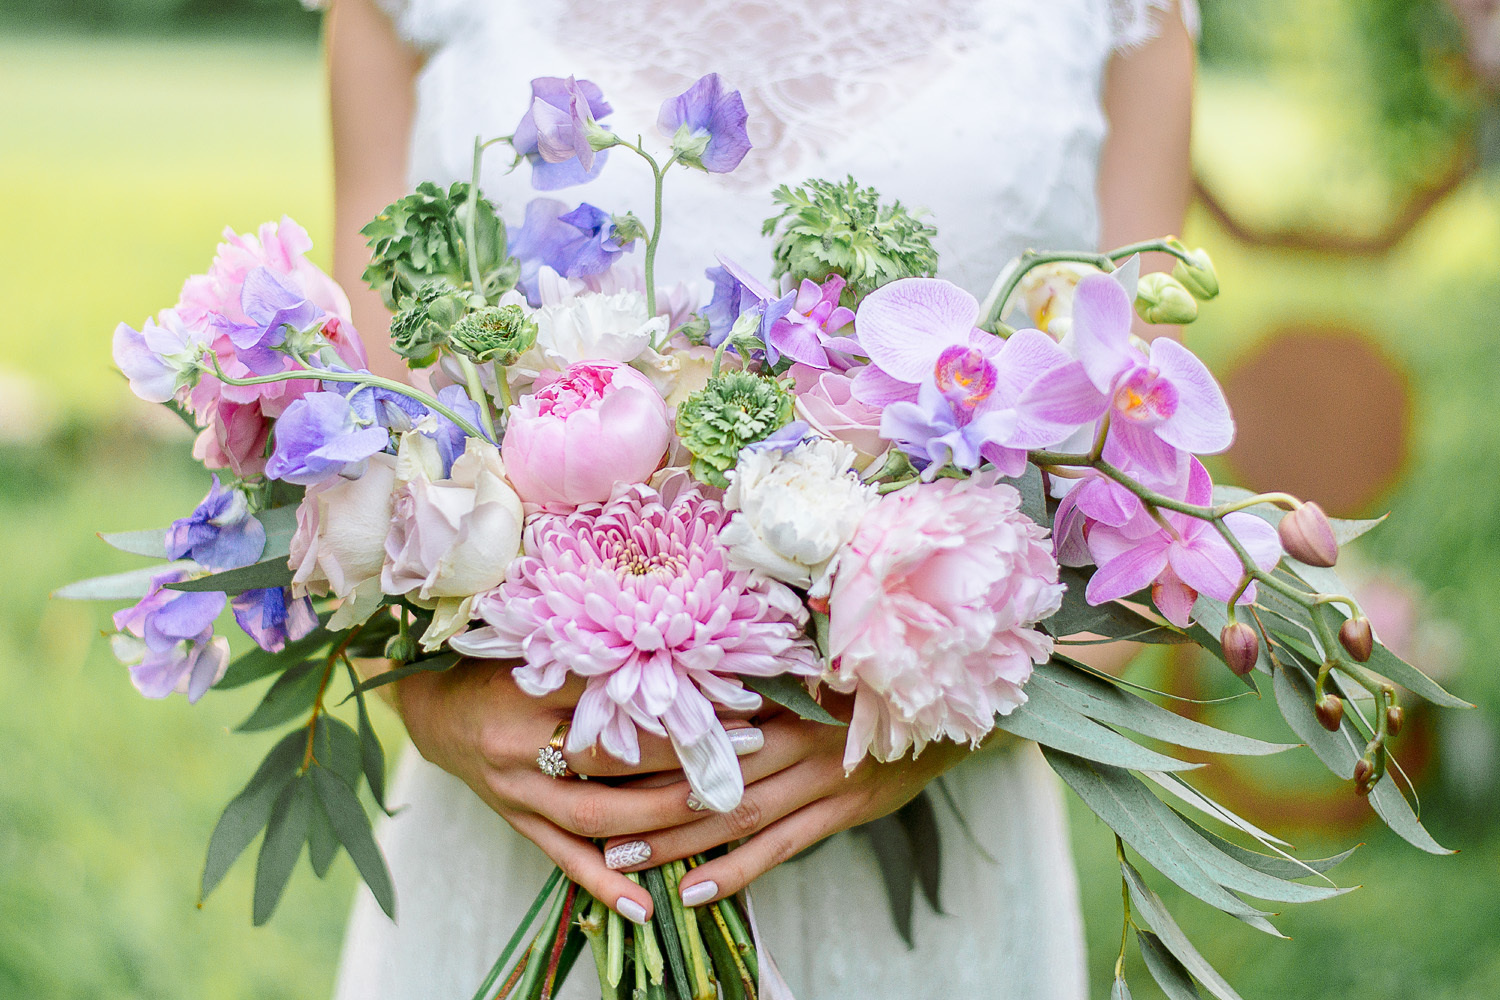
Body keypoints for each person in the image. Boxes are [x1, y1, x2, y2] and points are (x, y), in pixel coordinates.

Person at [323, 1, 1196, 996]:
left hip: (920, 861)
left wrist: (941, 702)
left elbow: (1139, 526)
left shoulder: (1126, 18)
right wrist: (429, 702)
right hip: (524, 837)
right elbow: (345, 439)